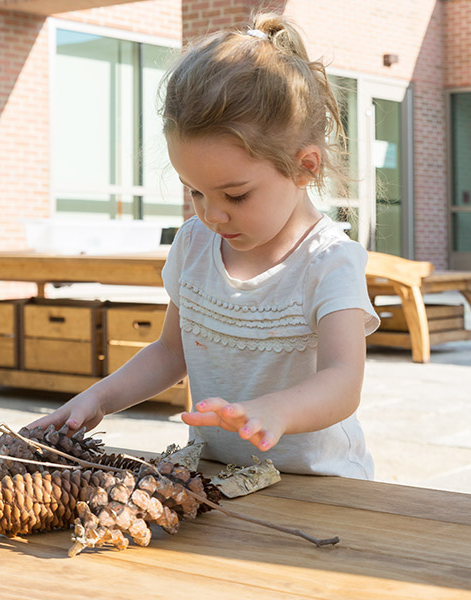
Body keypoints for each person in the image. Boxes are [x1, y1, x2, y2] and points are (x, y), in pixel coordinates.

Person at [30, 13, 380, 478]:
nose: (211, 214)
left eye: (235, 195)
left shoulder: (328, 260)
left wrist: (275, 411)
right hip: (215, 478)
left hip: (318, 484)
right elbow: (170, 353)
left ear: (305, 167)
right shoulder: (195, 243)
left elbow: (343, 380)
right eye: (194, 191)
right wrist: (100, 397)